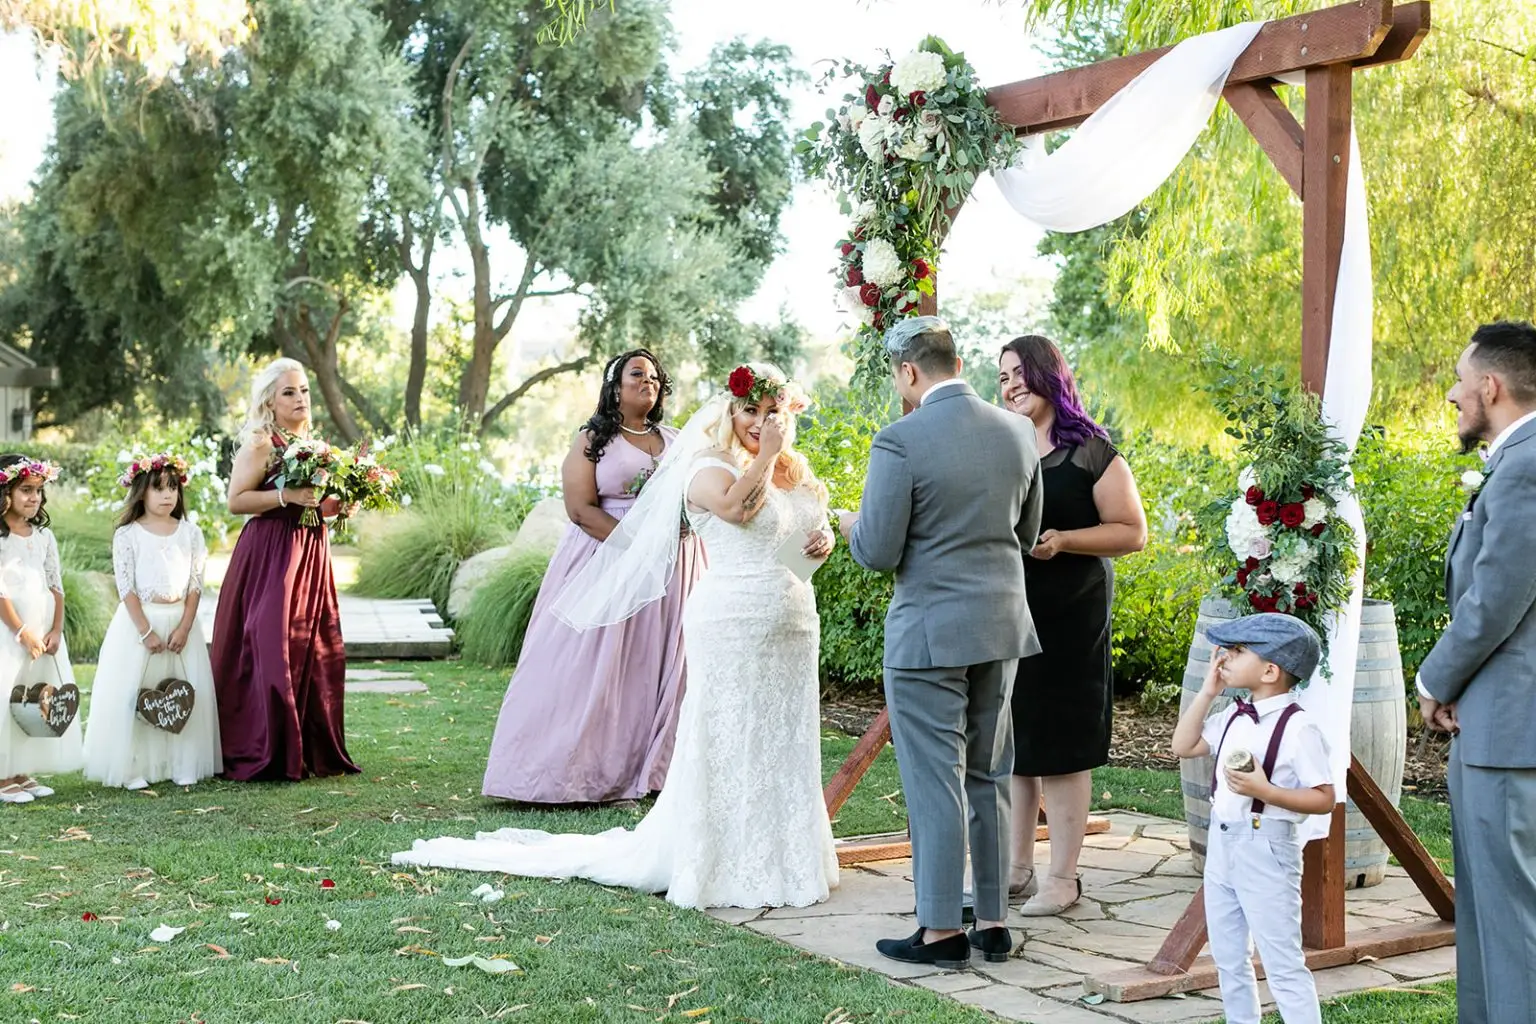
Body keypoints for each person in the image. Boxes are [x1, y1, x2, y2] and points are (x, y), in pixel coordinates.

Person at [395, 363, 840, 910]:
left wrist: (821, 540)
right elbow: (732, 509)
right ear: (731, 412)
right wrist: (768, 453)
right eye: (752, 410)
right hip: (733, 623)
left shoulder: (787, 470)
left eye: (774, 413)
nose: (763, 422)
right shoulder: (707, 465)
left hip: (792, 622)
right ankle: (719, 856)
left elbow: (790, 530)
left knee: (782, 741)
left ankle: (786, 854)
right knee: (730, 737)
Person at [841, 316, 1043, 969]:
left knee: (936, 782)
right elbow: (1027, 530)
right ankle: (991, 921)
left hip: (930, 631)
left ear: (908, 371)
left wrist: (847, 521)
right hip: (1003, 623)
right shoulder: (1016, 431)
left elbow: (875, 550)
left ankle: (937, 931)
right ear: (955, 360)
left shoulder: (900, 440)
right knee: (989, 771)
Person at [481, 349, 702, 804]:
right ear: (614, 387)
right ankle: (571, 772)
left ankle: (654, 770)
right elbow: (581, 510)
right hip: (605, 558)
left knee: (654, 666)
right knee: (592, 668)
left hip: (670, 569)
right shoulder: (592, 439)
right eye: (636, 374)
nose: (648, 381)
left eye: (655, 376)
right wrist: (638, 549)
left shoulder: (678, 441)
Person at [996, 335, 1147, 915]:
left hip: (1072, 613)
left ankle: (1063, 879)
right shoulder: (1007, 447)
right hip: (1014, 608)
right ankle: (1016, 869)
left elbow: (1131, 531)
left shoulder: (1091, 451)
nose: (1009, 385)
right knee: (1017, 741)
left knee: (1061, 743)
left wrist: (1063, 541)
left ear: (1045, 374)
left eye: (1017, 373)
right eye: (1002, 376)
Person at [1415, 320, 1536, 1024]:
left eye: (1460, 384)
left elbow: (1496, 599)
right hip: (1497, 723)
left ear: (1490, 386)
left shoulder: (1525, 468)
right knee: (1491, 923)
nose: (1455, 398)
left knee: (1512, 926)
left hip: (1512, 734)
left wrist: (1435, 682)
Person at [1171, 612, 1332, 1024]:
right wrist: (1208, 692)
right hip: (1224, 845)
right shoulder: (1232, 716)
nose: (1226, 656)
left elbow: (1324, 798)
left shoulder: (1298, 728)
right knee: (1228, 956)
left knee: (1281, 960)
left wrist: (1266, 792)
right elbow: (1184, 744)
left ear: (1270, 670)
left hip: (1267, 847)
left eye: (1239, 651)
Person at [210, 358, 360, 781]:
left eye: (305, 391)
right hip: (270, 553)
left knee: (310, 645)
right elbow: (237, 500)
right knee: (267, 641)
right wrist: (287, 496)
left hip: (309, 551)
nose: (300, 399)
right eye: (289, 393)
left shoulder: (316, 447)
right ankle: (266, 748)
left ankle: (308, 748)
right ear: (270, 402)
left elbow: (315, 503)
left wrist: (338, 505)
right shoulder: (261, 443)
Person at [82, 453, 221, 790]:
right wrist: (145, 630)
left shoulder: (190, 533)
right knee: (134, 693)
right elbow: (125, 587)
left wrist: (185, 626)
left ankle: (181, 761)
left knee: (180, 691)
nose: (167, 495)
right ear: (141, 491)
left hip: (179, 624)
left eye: (173, 487)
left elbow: (195, 585)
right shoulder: (128, 534)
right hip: (138, 625)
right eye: (158, 488)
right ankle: (132, 765)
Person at [0, 456, 81, 803]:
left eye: (38, 491)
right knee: (6, 697)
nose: (34, 498)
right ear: (5, 492)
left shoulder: (45, 536)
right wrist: (21, 632)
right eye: (25, 490)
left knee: (31, 698)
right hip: (10, 633)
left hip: (42, 632)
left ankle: (21, 770)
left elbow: (55, 584)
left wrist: (56, 629)